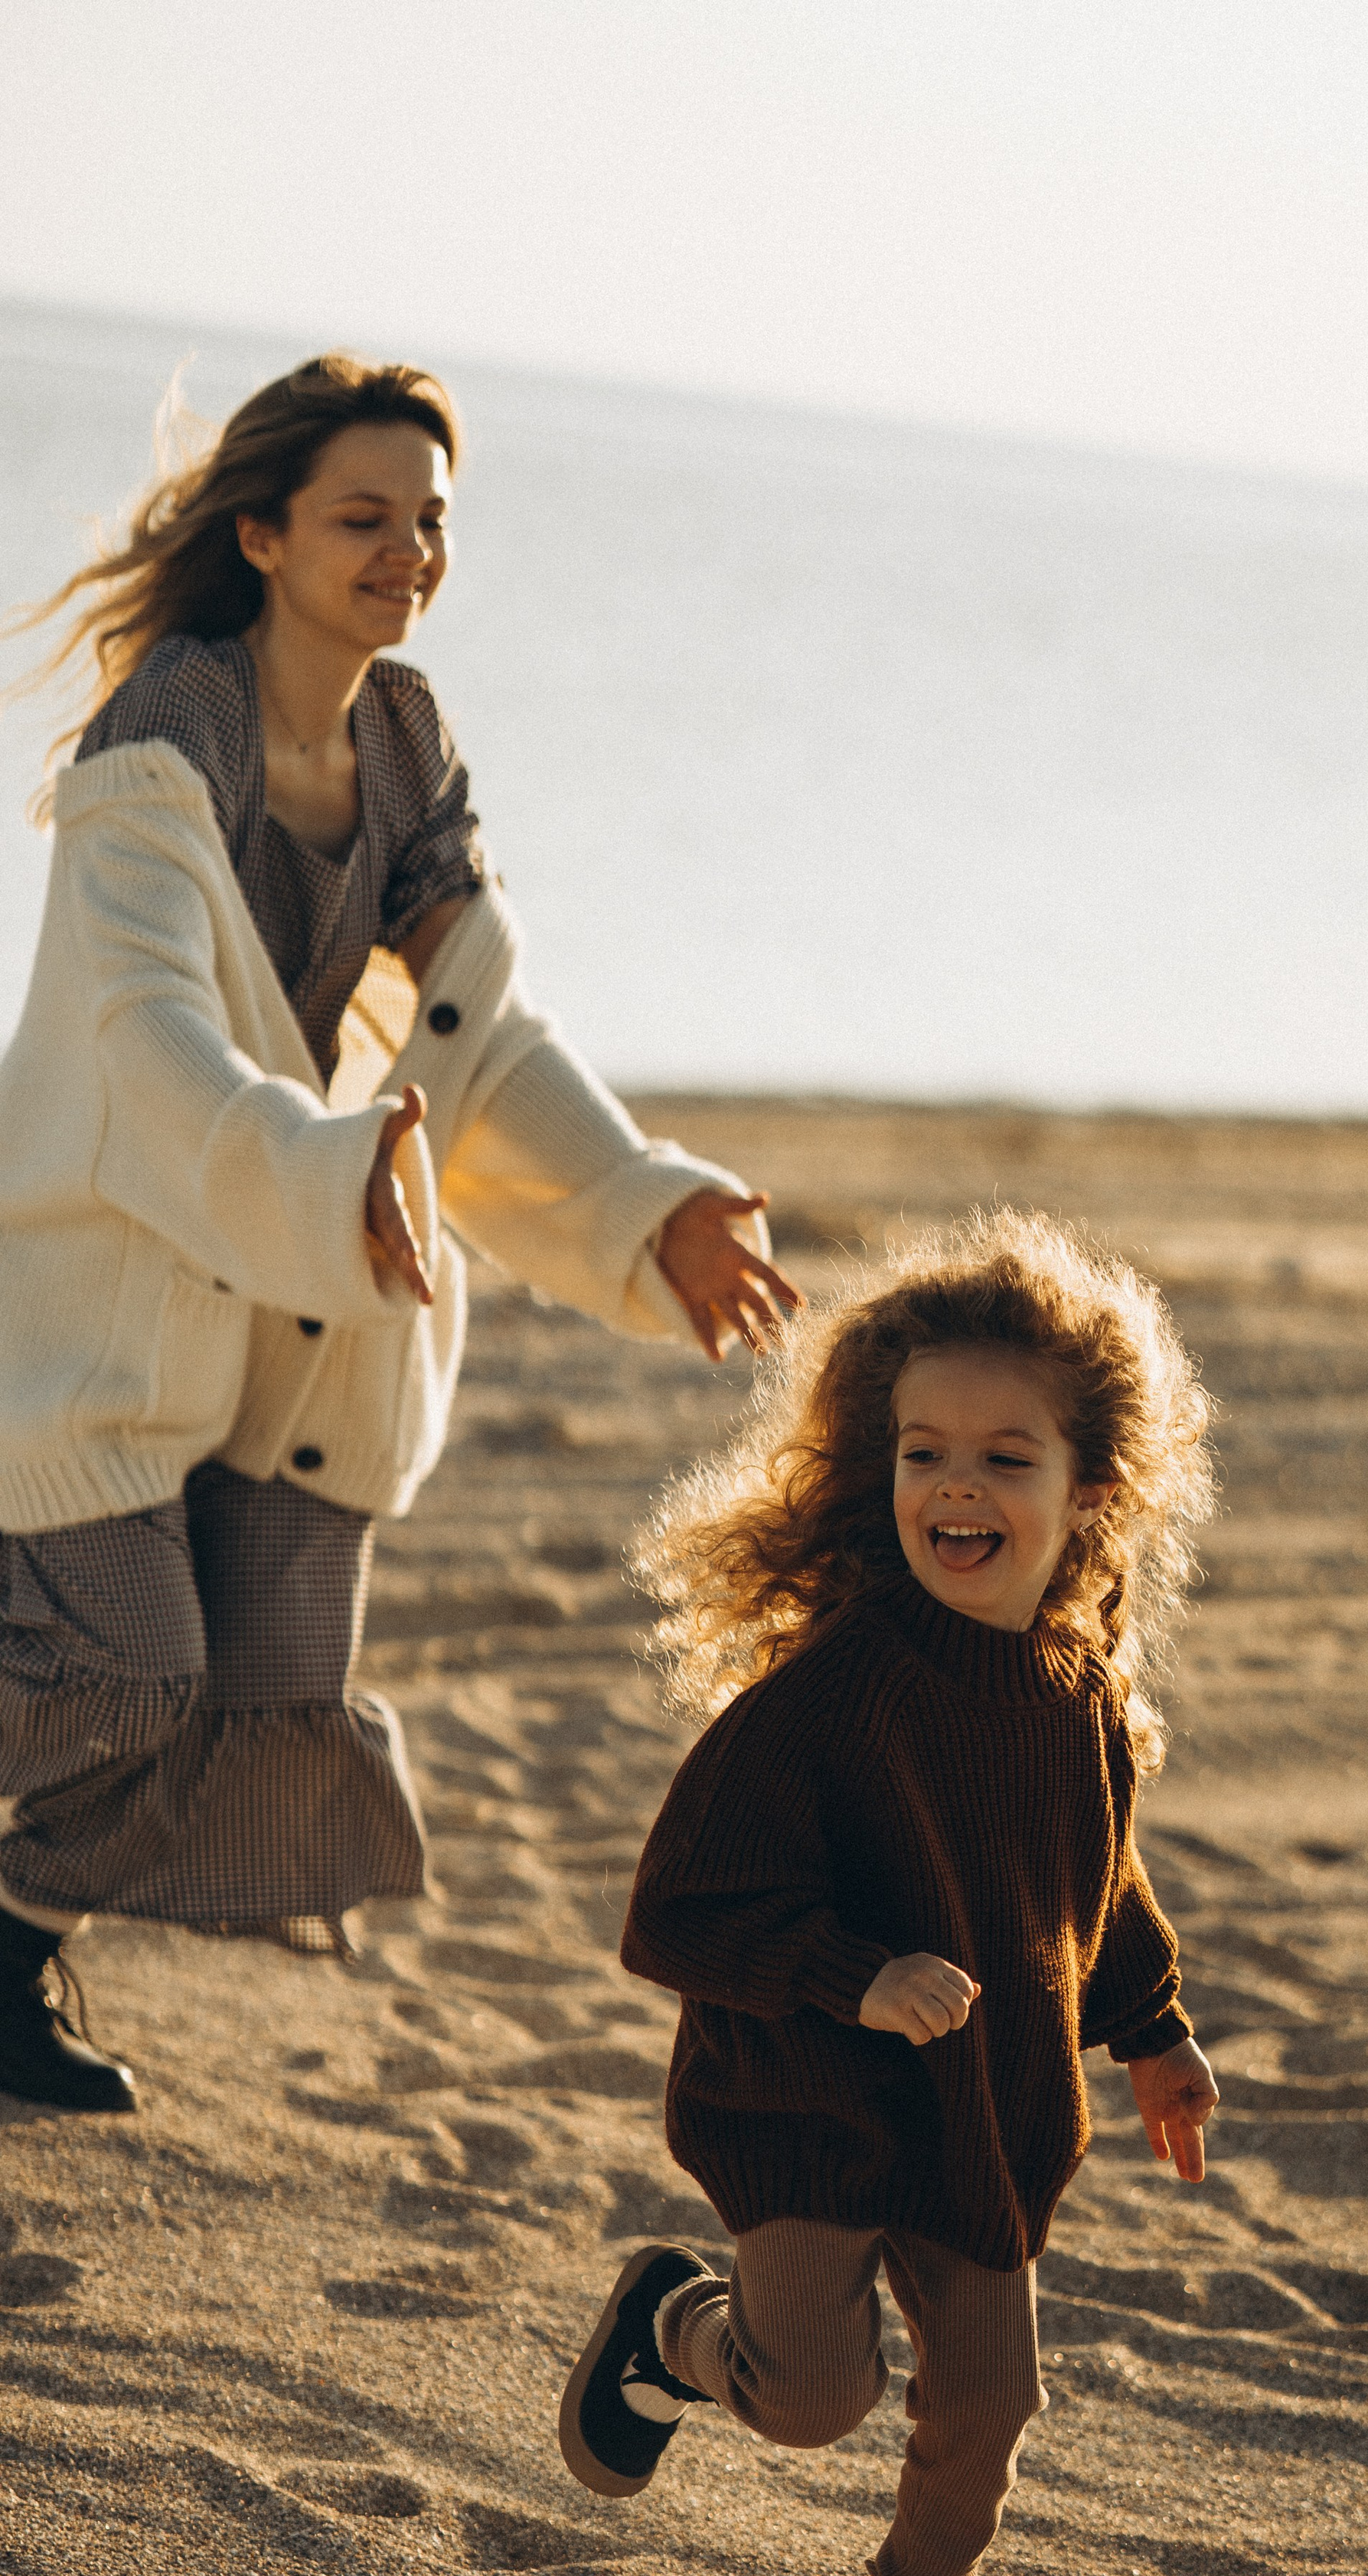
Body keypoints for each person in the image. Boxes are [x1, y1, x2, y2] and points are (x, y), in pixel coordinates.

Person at [0, 352, 802, 2113]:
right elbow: (148, 1046)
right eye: (365, 517)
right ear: (265, 534)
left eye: (430, 521)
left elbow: (480, 1042)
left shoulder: (405, 747)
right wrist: (314, 1168)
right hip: (120, 1276)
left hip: (303, 1309)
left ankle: (5, 1947)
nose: (407, 552)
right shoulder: (162, 745)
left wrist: (640, 1205)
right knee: (127, 1669)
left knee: (257, 1699)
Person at [554, 1211, 1222, 2576]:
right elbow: (676, 1914)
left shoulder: (1081, 1710)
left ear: (1090, 1493)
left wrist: (1154, 2030)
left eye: (1004, 1457)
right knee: (807, 2399)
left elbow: (1090, 1890)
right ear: (884, 1471)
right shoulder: (826, 1703)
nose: (957, 1489)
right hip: (807, 2096)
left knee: (988, 2402)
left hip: (978, 2118)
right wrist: (850, 1979)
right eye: (923, 1454)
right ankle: (672, 2330)